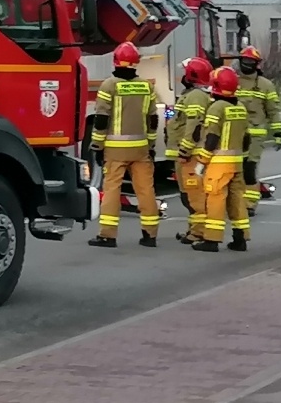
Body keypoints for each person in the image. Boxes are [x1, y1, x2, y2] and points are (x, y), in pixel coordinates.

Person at [88, 42, 161, 248]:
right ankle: (150, 235)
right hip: (141, 149)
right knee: (146, 191)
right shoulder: (147, 86)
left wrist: (97, 146)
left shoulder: (109, 85)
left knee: (112, 190)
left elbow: (101, 119)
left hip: (115, 149)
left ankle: (108, 235)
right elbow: (152, 119)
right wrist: (152, 144)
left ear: (115, 61)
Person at [193, 65, 252, 252]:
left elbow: (212, 138)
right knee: (237, 201)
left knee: (215, 200)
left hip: (218, 164)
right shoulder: (240, 107)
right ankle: (240, 238)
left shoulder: (216, 107)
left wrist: (202, 162)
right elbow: (247, 138)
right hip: (236, 162)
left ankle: (212, 240)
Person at [166, 57, 213, 244]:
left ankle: (199, 232)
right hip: (187, 154)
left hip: (191, 155)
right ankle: (193, 230)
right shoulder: (192, 94)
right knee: (188, 196)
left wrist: (185, 149)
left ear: (191, 75)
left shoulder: (195, 96)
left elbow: (194, 125)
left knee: (195, 196)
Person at [236, 45, 281, 213]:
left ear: (256, 64)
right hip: (234, 134)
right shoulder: (232, 81)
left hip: (255, 135)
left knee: (249, 169)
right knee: (235, 170)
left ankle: (250, 204)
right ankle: (236, 202)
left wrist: (278, 133)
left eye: (250, 61)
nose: (246, 64)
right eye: (244, 60)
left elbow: (273, 110)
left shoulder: (265, 85)